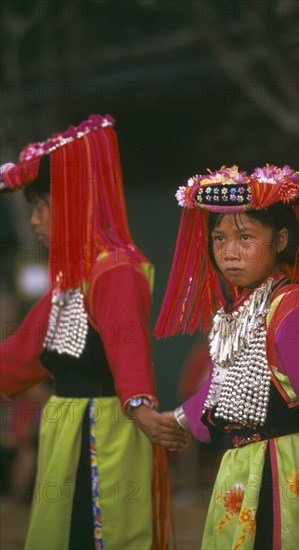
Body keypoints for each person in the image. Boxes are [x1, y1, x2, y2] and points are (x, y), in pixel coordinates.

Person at [0, 114, 187, 550]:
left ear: (68, 204)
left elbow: (128, 344)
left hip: (105, 431)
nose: (34, 220)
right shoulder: (71, 282)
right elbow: (21, 354)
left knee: (99, 536)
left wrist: (140, 406)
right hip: (68, 428)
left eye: (40, 206)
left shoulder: (115, 269)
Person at [155, 165, 299, 549]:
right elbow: (224, 385)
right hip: (242, 468)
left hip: (288, 472)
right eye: (219, 239)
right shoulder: (238, 311)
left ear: (281, 239)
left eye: (246, 236)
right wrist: (178, 419)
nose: (229, 251)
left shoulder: (293, 308)